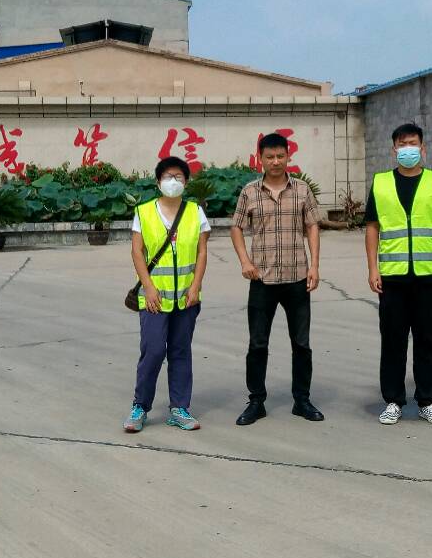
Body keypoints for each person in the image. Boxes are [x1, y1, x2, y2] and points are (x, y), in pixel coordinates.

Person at [364, 122, 432, 425]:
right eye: (402, 144)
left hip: (428, 277)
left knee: (429, 340)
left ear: (423, 148)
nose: (408, 149)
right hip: (392, 278)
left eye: (413, 144)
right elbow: (372, 227)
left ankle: (427, 400)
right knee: (393, 341)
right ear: (394, 149)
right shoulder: (381, 183)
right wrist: (372, 268)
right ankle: (393, 400)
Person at [229, 132, 324, 425]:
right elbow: (236, 227)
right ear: (260, 158)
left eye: (280, 156)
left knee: (302, 344)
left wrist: (314, 265)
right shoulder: (250, 192)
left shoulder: (302, 190)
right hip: (262, 280)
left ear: (288, 157)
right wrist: (245, 261)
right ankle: (256, 401)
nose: (275, 161)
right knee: (258, 344)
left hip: (297, 278)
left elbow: (312, 226)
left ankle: (302, 400)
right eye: (269, 157)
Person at [123, 156, 210, 433]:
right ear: (158, 181)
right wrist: (148, 287)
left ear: (186, 181)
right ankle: (140, 406)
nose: (173, 181)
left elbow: (202, 252)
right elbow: (137, 252)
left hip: (186, 297)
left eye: (178, 177)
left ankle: (179, 408)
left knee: (181, 351)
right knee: (153, 351)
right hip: (154, 298)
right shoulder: (144, 212)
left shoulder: (195, 212)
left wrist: (196, 286)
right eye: (168, 177)